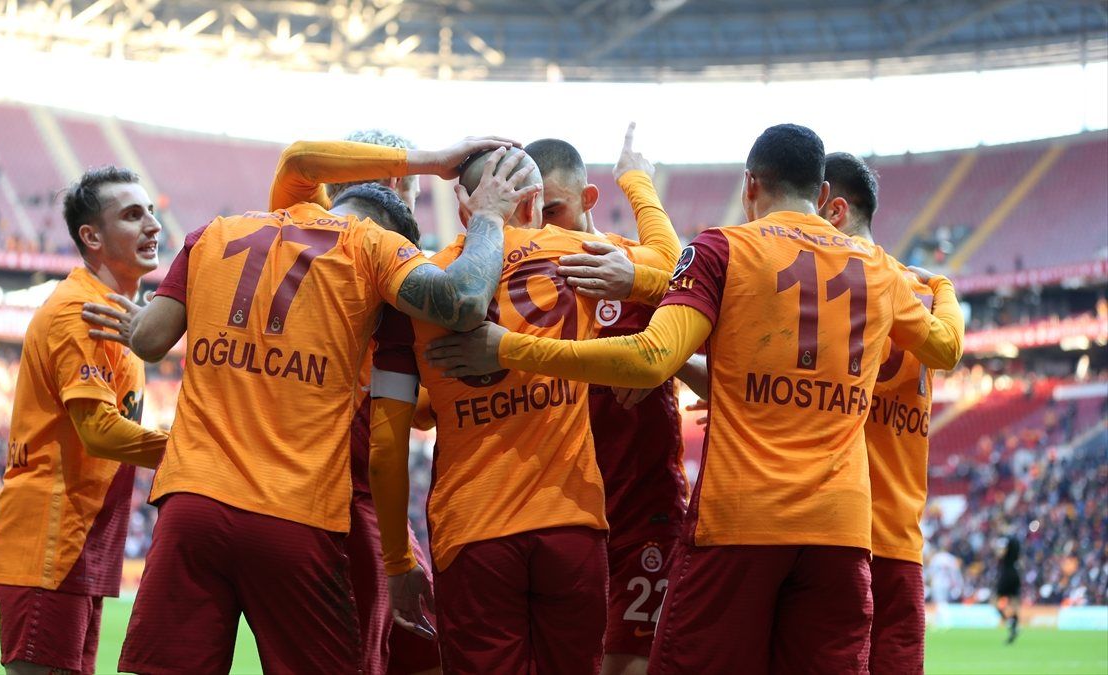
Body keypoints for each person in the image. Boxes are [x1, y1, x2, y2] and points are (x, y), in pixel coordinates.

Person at [424, 123, 965, 673]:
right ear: (821, 194)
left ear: (749, 185)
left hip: (740, 521)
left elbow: (652, 356)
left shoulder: (724, 248)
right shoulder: (882, 271)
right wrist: (943, 287)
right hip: (841, 531)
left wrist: (508, 348)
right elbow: (945, 347)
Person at [115, 139, 536, 674]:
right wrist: (489, 217)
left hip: (190, 505)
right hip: (294, 514)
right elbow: (464, 300)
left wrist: (429, 161)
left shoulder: (213, 233)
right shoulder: (373, 248)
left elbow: (149, 340)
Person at [368, 129, 678, 675]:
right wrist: (636, 182)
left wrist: (396, 559)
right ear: (535, 203)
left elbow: (387, 444)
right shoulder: (580, 256)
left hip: (472, 531)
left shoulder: (414, 286)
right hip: (571, 524)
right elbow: (676, 268)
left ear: (463, 206)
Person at [268, 128, 442, 675]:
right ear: (392, 184)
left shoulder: (290, 233)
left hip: (309, 489)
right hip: (348, 496)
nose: (413, 212)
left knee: (418, 649)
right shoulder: (382, 263)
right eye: (412, 193)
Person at [0, 166, 169, 675]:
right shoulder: (79, 312)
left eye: (151, 211)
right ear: (92, 237)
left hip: (80, 540)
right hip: (50, 541)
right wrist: (192, 447)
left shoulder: (118, 317)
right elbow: (99, 431)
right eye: (132, 215)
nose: (153, 225)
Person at [524, 135, 688, 675]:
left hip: (643, 512)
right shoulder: (524, 279)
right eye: (531, 213)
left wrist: (659, 355)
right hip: (561, 516)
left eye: (553, 210)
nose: (542, 226)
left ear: (588, 198)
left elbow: (700, 290)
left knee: (628, 663)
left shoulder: (632, 264)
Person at [819, 151, 962, 674]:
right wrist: (944, 285)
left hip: (835, 536)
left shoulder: (825, 286)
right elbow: (948, 348)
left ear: (832, 207)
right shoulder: (923, 292)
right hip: (901, 540)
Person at [927, 546, 962, 630]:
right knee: (942, 602)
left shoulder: (936, 558)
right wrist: (957, 585)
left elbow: (931, 573)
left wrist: (930, 583)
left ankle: (946, 622)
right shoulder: (951, 558)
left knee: (940, 603)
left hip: (937, 583)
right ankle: (940, 622)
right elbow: (955, 573)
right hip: (947, 584)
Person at [996, 535, 1023, 644]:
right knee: (1014, 602)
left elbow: (1001, 553)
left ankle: (1011, 622)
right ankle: (1015, 625)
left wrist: (998, 551)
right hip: (1016, 572)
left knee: (996, 601)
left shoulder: (1004, 539)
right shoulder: (1016, 540)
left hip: (1006, 573)